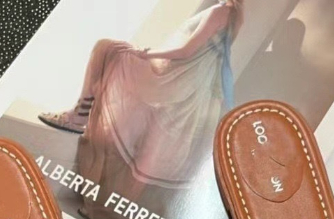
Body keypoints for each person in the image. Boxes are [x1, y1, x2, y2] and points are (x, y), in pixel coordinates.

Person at [39, 0, 242, 189]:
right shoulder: (236, 17)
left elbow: (186, 51)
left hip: (169, 79)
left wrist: (147, 53)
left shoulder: (219, 11)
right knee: (110, 54)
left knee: (106, 47)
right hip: (183, 85)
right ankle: (81, 114)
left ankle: (78, 115)